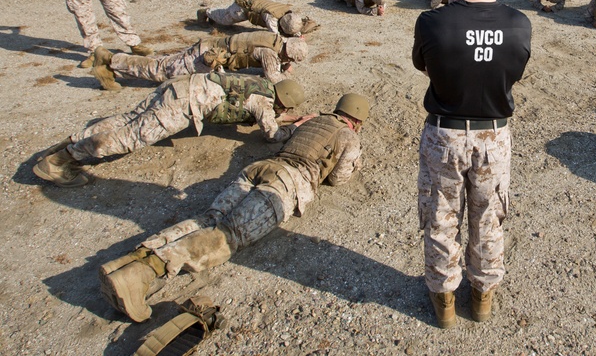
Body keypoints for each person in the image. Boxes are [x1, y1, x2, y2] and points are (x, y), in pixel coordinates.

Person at [98, 94, 368, 322]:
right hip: (286, 183)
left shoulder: (314, 120)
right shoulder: (348, 136)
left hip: (259, 168)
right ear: (356, 121)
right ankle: (146, 271)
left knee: (209, 219)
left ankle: (134, 260)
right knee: (227, 236)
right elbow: (337, 178)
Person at [412, 0, 532, 328]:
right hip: (494, 136)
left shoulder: (431, 22)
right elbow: (508, 73)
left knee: (440, 215)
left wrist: (452, 10)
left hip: (444, 134)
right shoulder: (520, 24)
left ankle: (444, 296)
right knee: (489, 217)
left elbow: (427, 67)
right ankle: (482, 295)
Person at [32, 73, 308, 188]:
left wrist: (281, 116)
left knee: (130, 118)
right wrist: (294, 126)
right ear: (283, 101)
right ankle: (61, 161)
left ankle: (69, 143)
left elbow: (260, 111)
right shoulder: (264, 102)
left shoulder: (259, 84)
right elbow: (272, 136)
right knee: (133, 137)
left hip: (180, 85)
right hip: (184, 104)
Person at [88, 33, 309, 91]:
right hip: (204, 58)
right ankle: (109, 59)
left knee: (163, 63)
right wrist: (287, 74)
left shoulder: (273, 39)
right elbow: (274, 78)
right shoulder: (270, 54)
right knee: (161, 71)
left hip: (209, 46)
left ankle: (113, 64)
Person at [197, 0, 319, 37]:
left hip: (252, 4)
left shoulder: (287, 13)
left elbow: (294, 26)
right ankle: (205, 12)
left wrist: (297, 35)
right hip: (241, 9)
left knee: (224, 16)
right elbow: (274, 36)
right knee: (224, 20)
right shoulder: (271, 17)